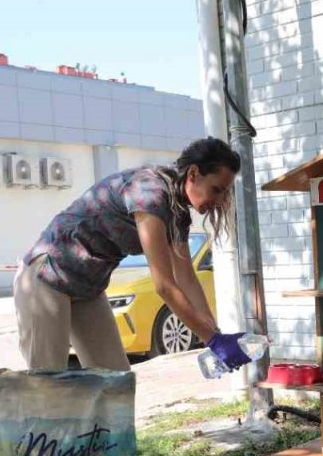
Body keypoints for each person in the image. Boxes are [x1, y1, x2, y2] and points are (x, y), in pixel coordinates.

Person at [14, 137, 253, 375]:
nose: (220, 200)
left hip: (88, 286)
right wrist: (212, 339)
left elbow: (187, 280)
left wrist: (215, 335)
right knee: (46, 382)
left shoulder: (178, 213)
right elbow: (165, 286)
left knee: (114, 381)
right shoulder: (149, 192)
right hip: (49, 274)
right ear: (193, 174)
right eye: (217, 189)